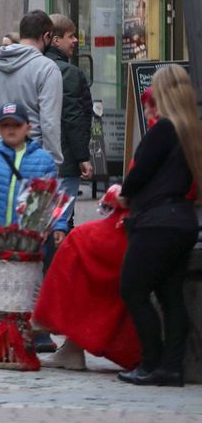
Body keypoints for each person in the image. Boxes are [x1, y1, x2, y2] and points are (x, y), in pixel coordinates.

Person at [34, 88, 157, 374]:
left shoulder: (163, 132)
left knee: (77, 244)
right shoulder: (167, 130)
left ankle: (52, 324)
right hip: (141, 220)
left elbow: (140, 186)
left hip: (141, 224)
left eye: (151, 105)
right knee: (77, 243)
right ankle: (65, 339)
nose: (149, 111)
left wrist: (118, 195)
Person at [115, 65, 201, 386]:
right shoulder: (191, 130)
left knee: (133, 288)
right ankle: (172, 366)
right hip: (182, 220)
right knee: (170, 296)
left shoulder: (164, 129)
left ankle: (151, 361)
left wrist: (123, 194)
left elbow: (138, 174)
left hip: (156, 223)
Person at [0, 102, 66, 349]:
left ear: (28, 127)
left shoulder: (43, 161)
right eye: (6, 125)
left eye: (16, 125)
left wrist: (59, 225)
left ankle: (33, 330)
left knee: (31, 284)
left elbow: (52, 197)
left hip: (30, 238)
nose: (11, 130)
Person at [0, 10, 64, 168]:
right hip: (29, 158)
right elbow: (49, 122)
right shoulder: (47, 69)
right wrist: (53, 161)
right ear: (46, 36)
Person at [45, 14, 95, 237]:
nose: (76, 40)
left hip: (41, 159)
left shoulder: (37, 67)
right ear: (55, 40)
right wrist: (83, 157)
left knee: (46, 220)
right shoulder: (69, 72)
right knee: (61, 221)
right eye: (71, 36)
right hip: (65, 160)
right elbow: (74, 117)